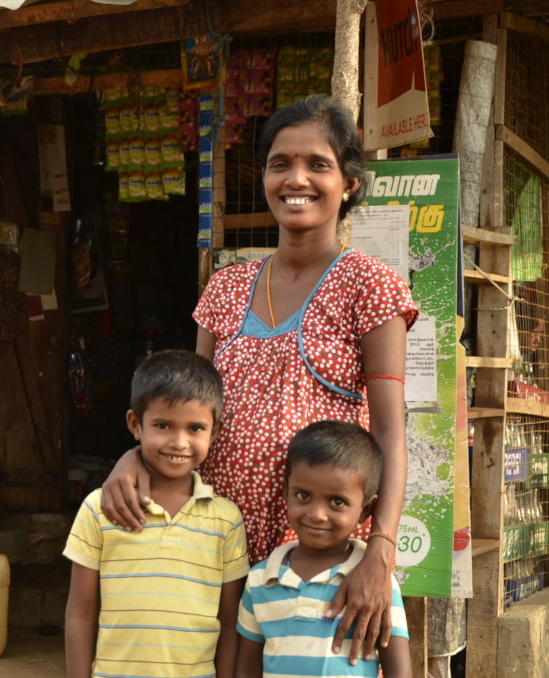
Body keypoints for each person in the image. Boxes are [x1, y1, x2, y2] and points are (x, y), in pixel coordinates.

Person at [100, 95, 418, 663]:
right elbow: (186, 409)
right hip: (217, 544)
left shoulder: (369, 286)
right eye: (280, 163)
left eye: (317, 164)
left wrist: (380, 554)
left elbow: (392, 433)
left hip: (320, 552)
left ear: (348, 183)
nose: (297, 179)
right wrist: (132, 458)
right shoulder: (224, 289)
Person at [64, 350, 249, 678]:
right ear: (136, 425)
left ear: (215, 432)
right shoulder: (100, 509)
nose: (179, 442)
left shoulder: (225, 519)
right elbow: (80, 614)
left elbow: (230, 622)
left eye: (195, 428)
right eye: (163, 425)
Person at [235, 421, 410, 678]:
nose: (317, 515)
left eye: (337, 502)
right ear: (286, 494)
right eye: (303, 496)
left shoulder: (374, 583)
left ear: (364, 511)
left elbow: (398, 667)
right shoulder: (260, 580)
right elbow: (248, 666)